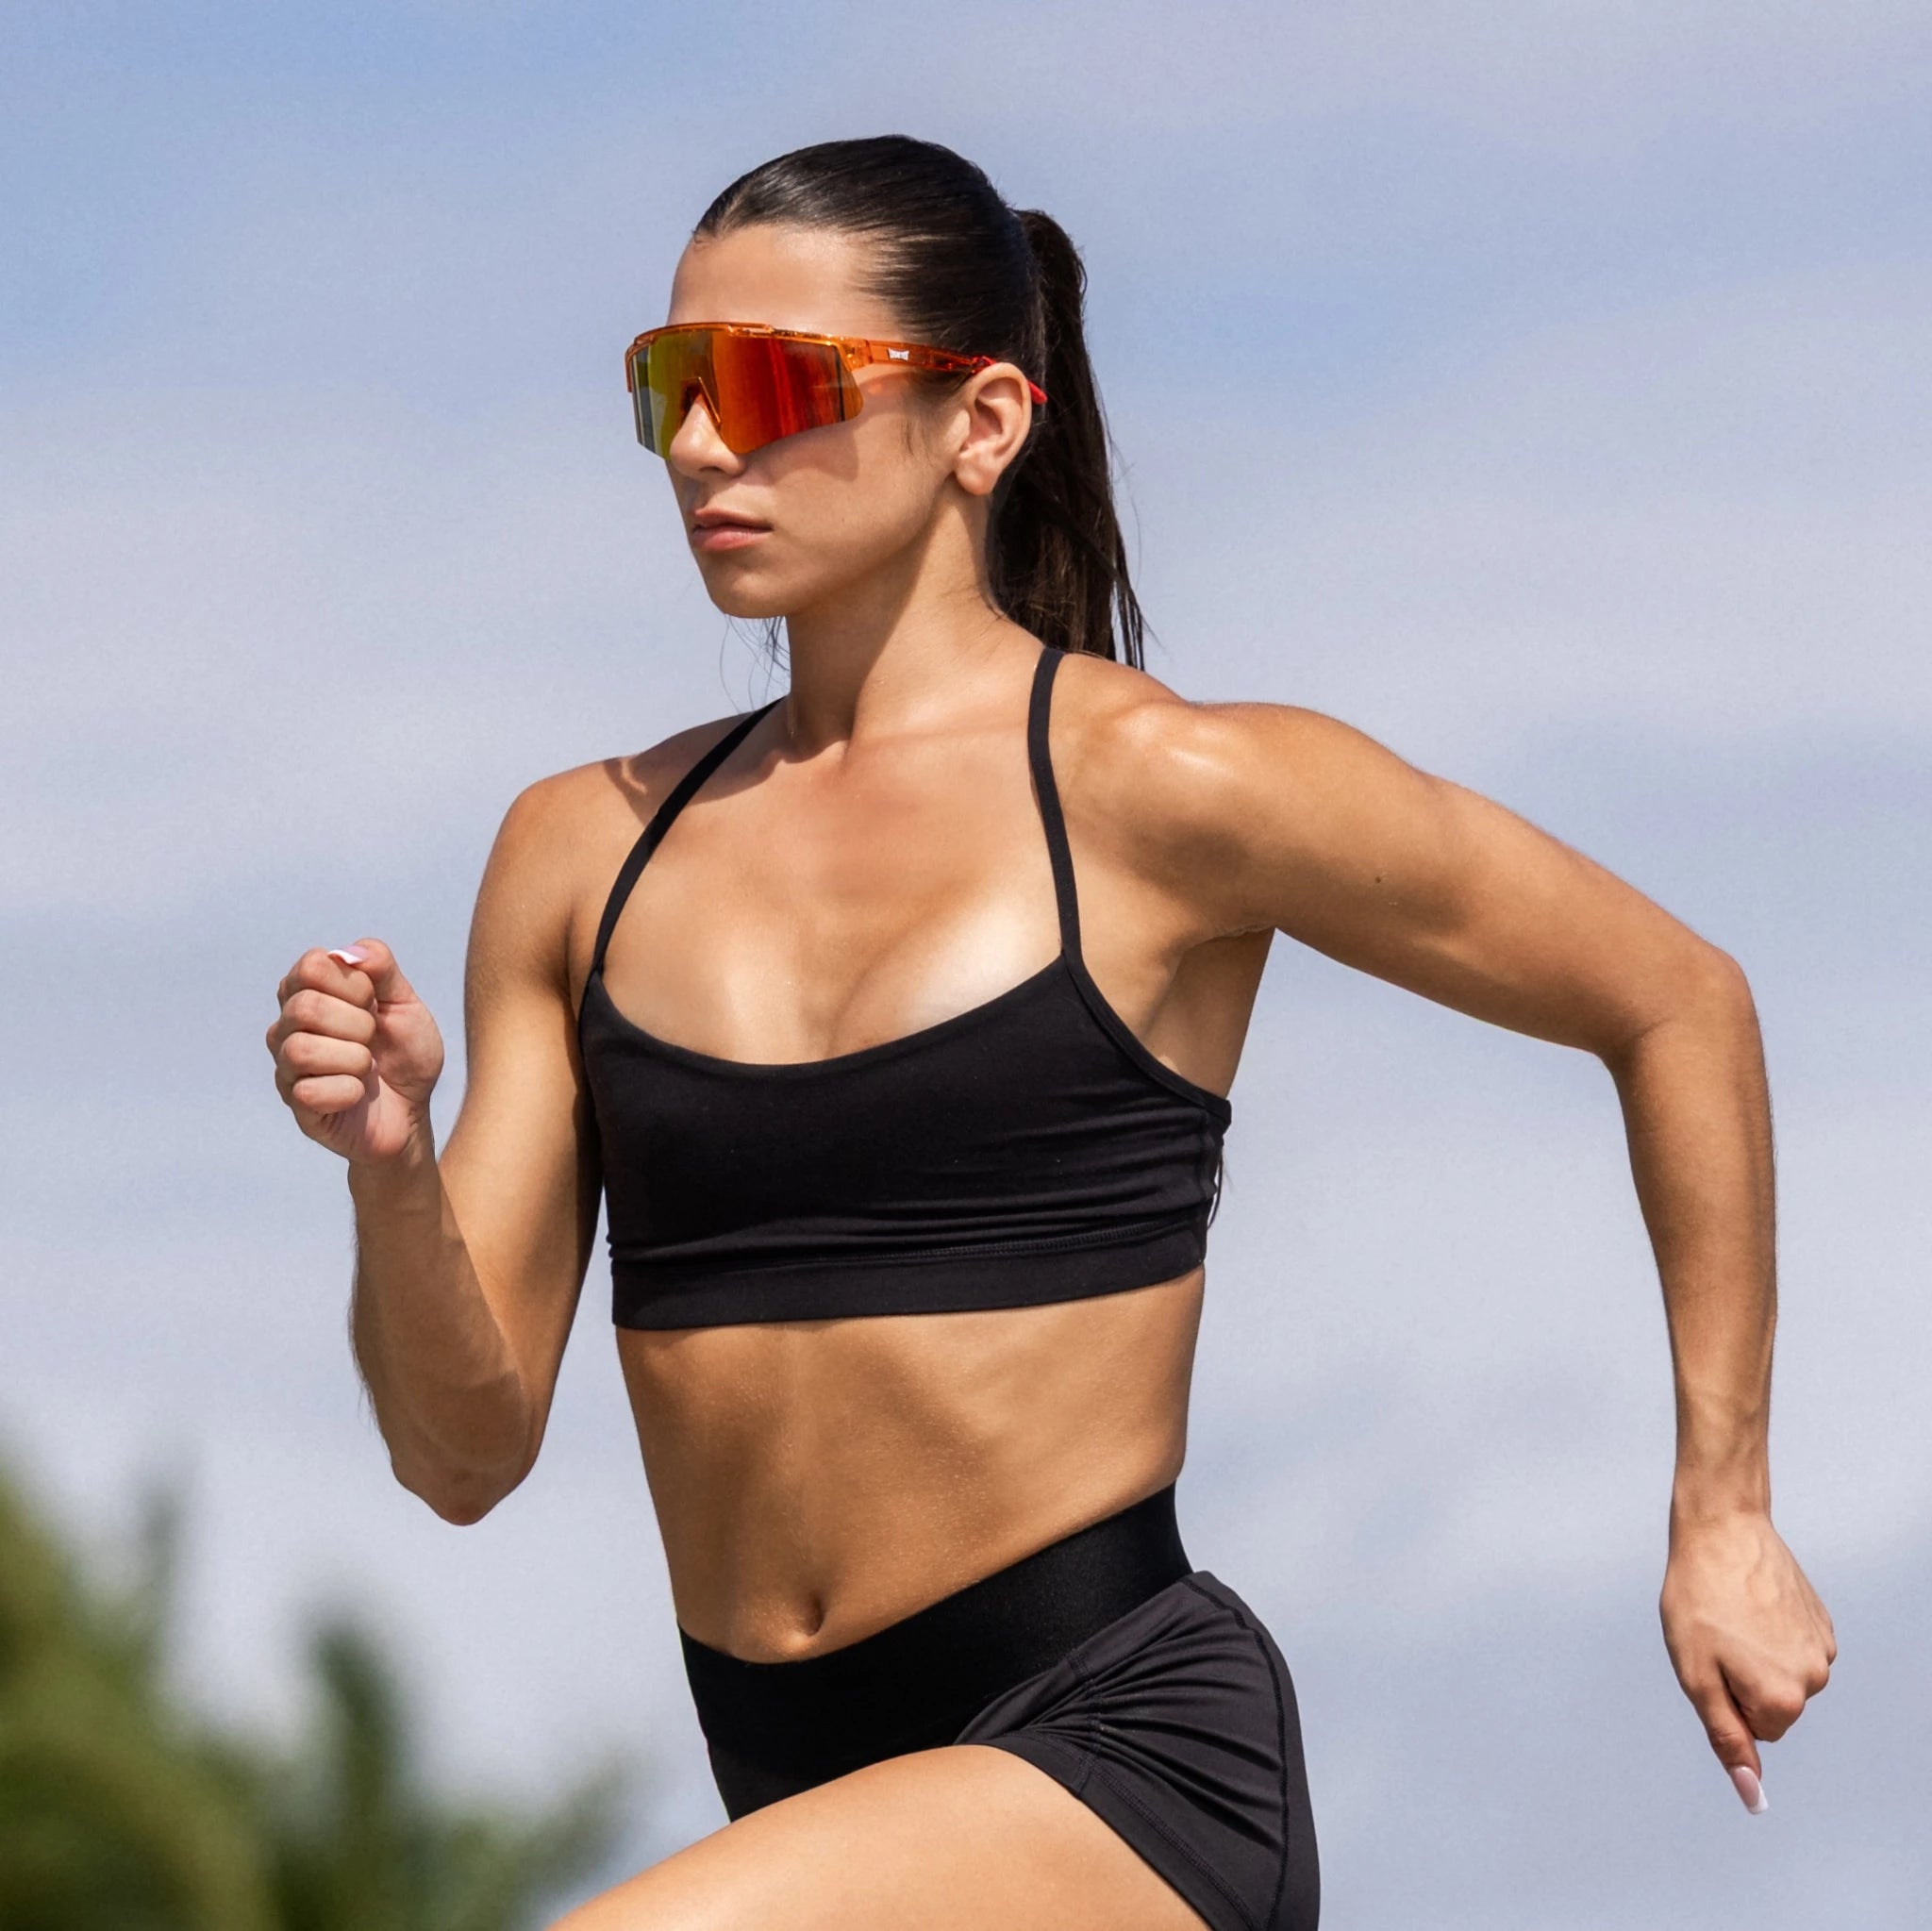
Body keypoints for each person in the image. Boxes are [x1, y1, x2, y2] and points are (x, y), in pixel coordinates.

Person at [265, 134, 1835, 1931]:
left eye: (769, 383)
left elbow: (1676, 997)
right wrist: (388, 1169)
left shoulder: (1168, 789)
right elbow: (462, 1456)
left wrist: (1724, 1507)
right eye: (668, 386)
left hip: (1120, 1757)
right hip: (799, 1787)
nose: (704, 445)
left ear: (982, 423)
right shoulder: (579, 855)